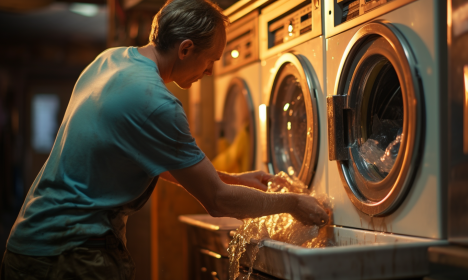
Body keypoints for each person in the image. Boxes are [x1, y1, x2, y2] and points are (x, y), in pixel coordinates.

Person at [0, 0, 329, 279]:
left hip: (29, 243)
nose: (211, 72)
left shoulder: (111, 60)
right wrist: (293, 203)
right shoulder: (157, 103)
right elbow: (219, 202)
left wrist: (230, 178)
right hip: (70, 255)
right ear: (186, 49)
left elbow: (157, 159)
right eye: (211, 60)